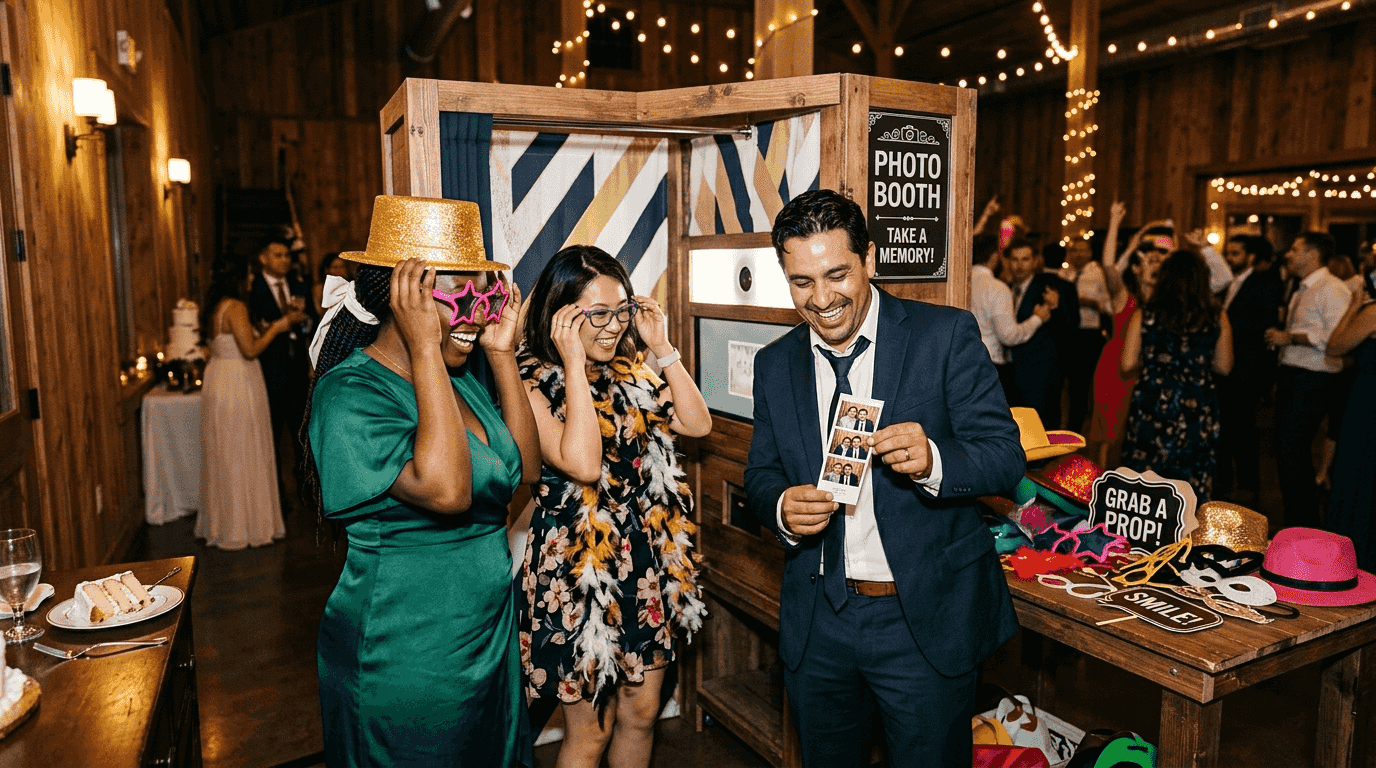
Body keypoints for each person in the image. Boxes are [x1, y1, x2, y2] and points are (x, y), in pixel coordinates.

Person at [744, 189, 1023, 767]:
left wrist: (934, 460)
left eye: (837, 274)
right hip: (819, 618)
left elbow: (1004, 456)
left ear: (870, 259)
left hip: (920, 621)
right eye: (801, 282)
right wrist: (780, 508)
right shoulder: (775, 363)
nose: (821, 299)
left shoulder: (943, 335)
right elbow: (762, 472)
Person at [305, 196, 541, 766]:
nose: (477, 315)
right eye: (458, 298)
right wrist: (423, 348)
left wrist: (502, 355)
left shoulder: (461, 384)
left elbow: (525, 472)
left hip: (485, 638)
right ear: (404, 296)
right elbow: (447, 490)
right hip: (405, 648)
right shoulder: (348, 395)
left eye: (484, 296)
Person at [517, 245, 711, 768]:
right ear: (560, 316)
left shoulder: (632, 371)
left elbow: (697, 424)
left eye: (620, 310)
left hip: (645, 563)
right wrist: (575, 366)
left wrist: (662, 346)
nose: (611, 326)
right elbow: (581, 463)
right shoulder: (529, 385)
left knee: (642, 713)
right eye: (595, 314)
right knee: (590, 734)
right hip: (576, 572)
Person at [197, 259, 305, 550]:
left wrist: (262, 328)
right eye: (248, 276)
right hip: (238, 382)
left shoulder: (216, 307)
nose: (250, 281)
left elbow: (229, 342)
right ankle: (245, 526)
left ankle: (225, 522)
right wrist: (280, 326)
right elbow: (249, 350)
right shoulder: (236, 306)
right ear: (237, 278)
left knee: (226, 450)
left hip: (220, 378)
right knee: (243, 449)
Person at [1121, 249, 1233, 500]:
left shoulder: (1145, 314)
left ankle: (1145, 535)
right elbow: (1224, 366)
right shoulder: (1217, 317)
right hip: (1197, 402)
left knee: (1147, 479)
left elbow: (1127, 364)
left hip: (1153, 401)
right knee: (1192, 477)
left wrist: (1157, 361)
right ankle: (1190, 532)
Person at [1266, 232, 1351, 528]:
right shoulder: (1303, 287)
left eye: (1295, 249)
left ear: (1312, 254)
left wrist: (1289, 337)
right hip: (1294, 375)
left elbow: (1335, 339)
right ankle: (1295, 520)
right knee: (1288, 450)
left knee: (1294, 449)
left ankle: (1303, 523)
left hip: (1314, 377)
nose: (1289, 254)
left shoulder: (1332, 289)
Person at [1090, 203, 1165, 468]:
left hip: (1149, 371)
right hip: (1116, 369)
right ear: (1135, 268)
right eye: (1151, 259)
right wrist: (1114, 220)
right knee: (1111, 434)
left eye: (1162, 259)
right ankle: (1103, 489)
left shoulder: (1167, 305)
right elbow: (1109, 264)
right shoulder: (1125, 299)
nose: (1157, 261)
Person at [249, 234, 317, 510]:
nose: (285, 260)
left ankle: (307, 492)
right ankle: (275, 497)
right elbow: (256, 327)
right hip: (268, 373)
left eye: (287, 255)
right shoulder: (253, 291)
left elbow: (311, 323)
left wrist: (303, 322)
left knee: (302, 435)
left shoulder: (298, 285)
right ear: (264, 258)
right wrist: (282, 322)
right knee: (271, 436)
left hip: (297, 372)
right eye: (278, 255)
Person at [1215, 235, 1283, 504]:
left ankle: (1248, 485)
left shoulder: (1263, 283)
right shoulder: (1230, 283)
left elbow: (1264, 325)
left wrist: (1226, 325)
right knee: (1228, 425)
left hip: (1247, 366)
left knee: (1243, 426)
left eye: (1236, 254)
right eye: (1228, 253)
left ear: (1250, 256)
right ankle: (1225, 480)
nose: (1231, 258)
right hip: (1229, 365)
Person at [1324, 266, 1376, 569]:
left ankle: (1356, 556)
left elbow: (1335, 345)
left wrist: (1355, 305)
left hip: (1368, 403)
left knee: (1360, 472)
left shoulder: (1372, 313)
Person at [969, 234, 1054, 402]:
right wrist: (1037, 318)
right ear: (995, 257)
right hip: (991, 364)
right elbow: (1008, 336)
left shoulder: (959, 283)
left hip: (965, 364)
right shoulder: (997, 287)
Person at [1006, 239, 1079, 428]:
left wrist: (1056, 307)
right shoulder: (1004, 286)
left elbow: (1070, 329)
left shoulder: (1051, 287)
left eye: (1025, 259)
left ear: (1036, 261)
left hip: (1041, 374)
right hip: (1011, 374)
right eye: (1015, 259)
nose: (1019, 265)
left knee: (1041, 430)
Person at [1060, 237, 1111, 432]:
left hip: (1090, 335)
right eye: (1074, 251)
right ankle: (1071, 428)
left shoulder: (1098, 274)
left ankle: (1087, 429)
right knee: (1072, 387)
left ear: (1090, 253)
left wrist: (1093, 303)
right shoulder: (1063, 274)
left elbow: (1109, 305)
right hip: (1068, 335)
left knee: (1088, 386)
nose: (1078, 254)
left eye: (1082, 251)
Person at [312, 251, 352, 316]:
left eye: (341, 267)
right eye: (335, 267)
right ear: (326, 270)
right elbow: (320, 311)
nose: (339, 271)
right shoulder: (319, 288)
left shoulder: (351, 287)